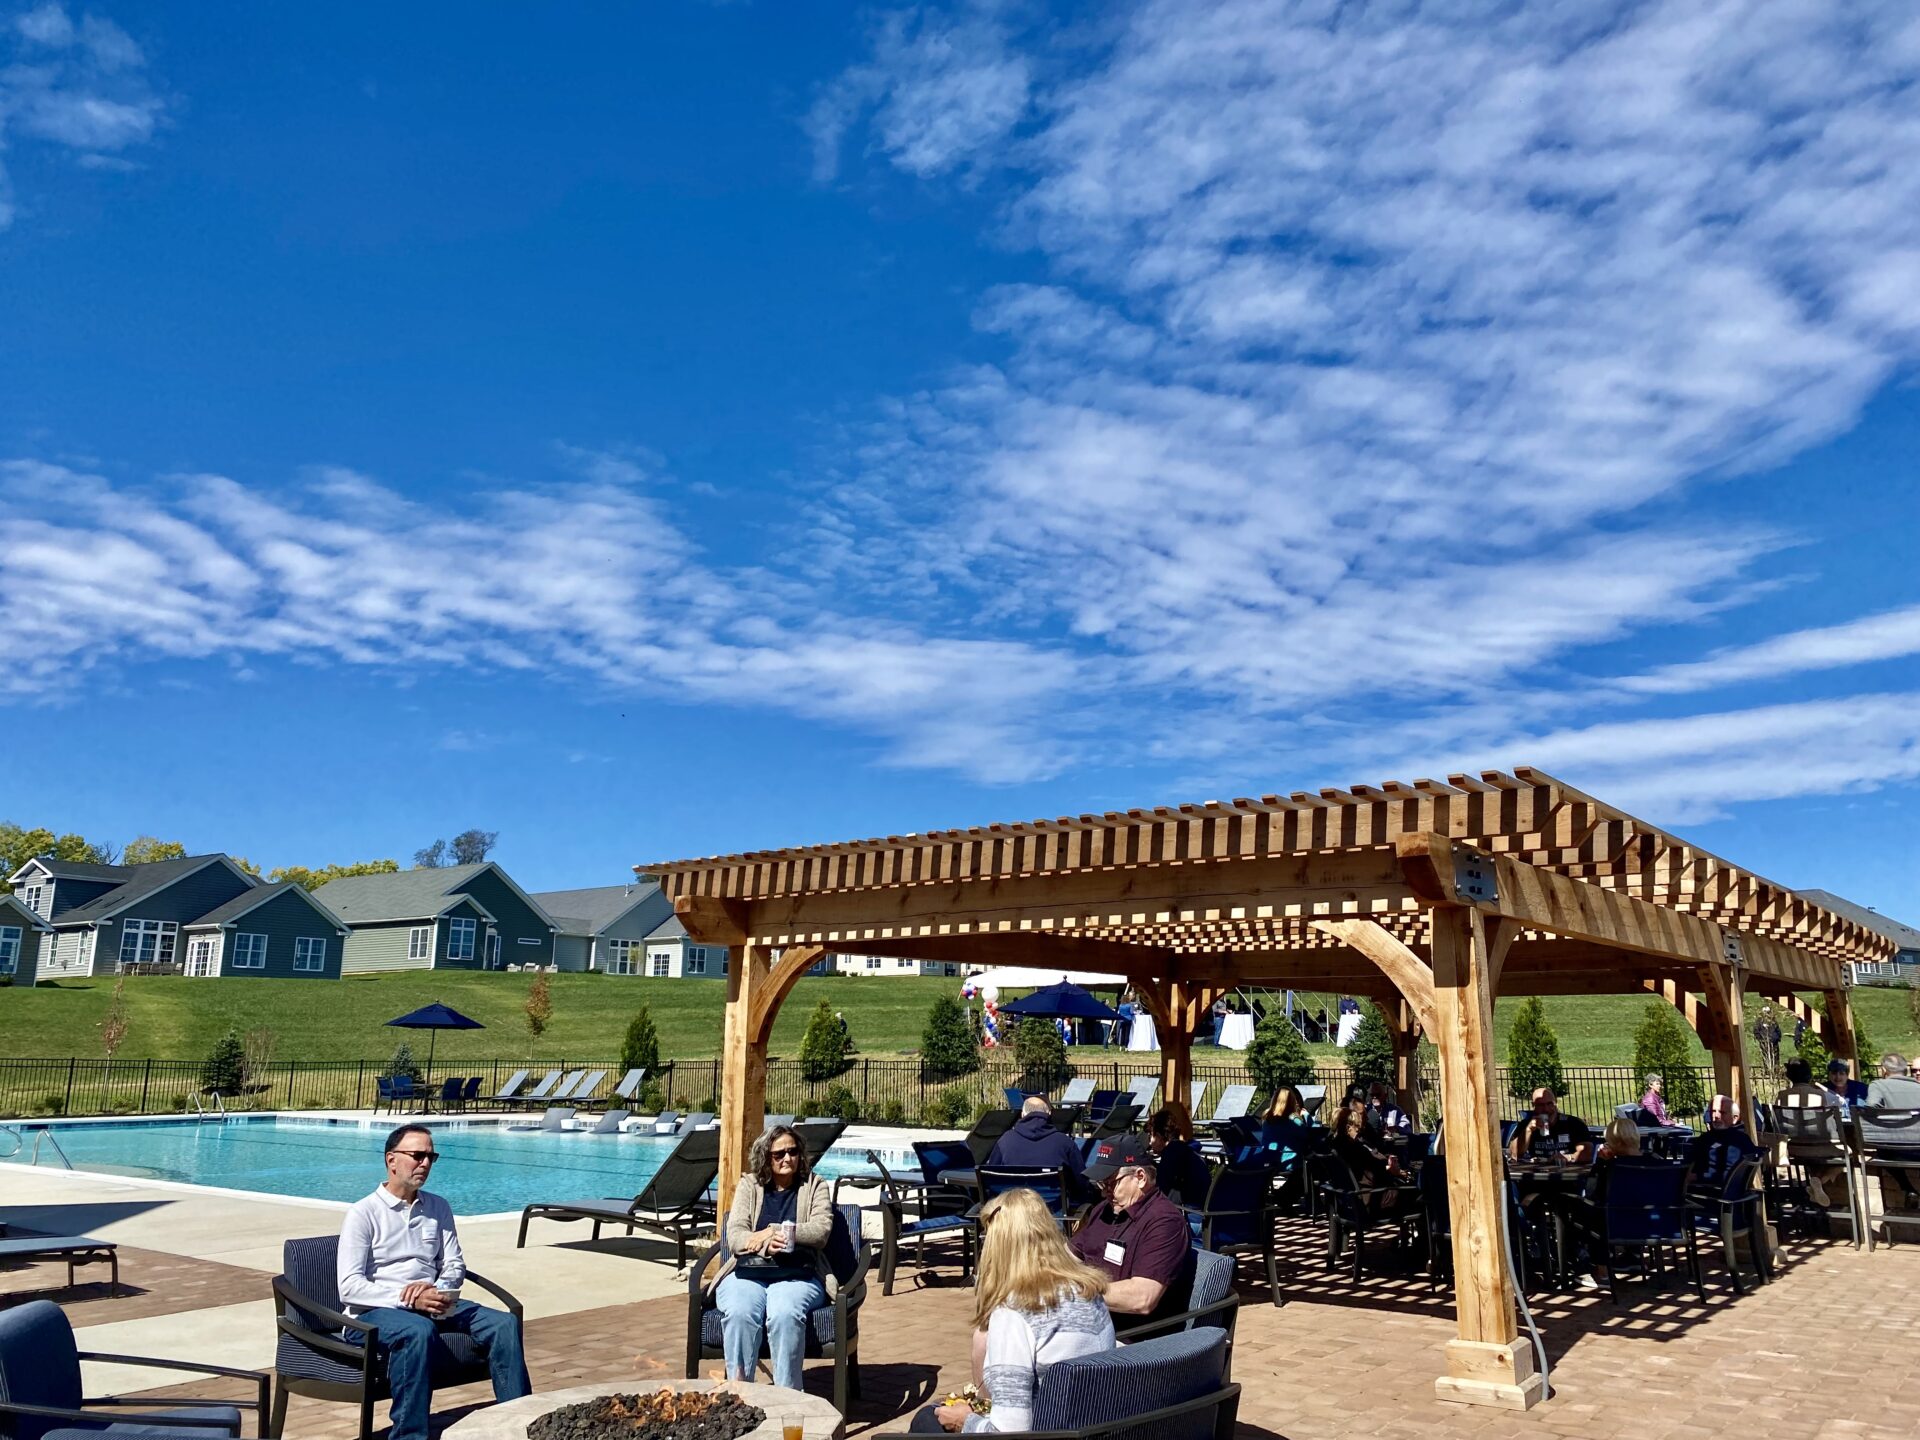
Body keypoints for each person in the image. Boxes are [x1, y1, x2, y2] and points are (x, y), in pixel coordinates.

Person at [337, 1125, 530, 1440]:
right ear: (392, 1160)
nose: (425, 1163)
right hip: (376, 1311)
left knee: (504, 1323)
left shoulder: (438, 1207)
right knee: (417, 1330)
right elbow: (350, 1286)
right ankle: (409, 1436)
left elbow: (454, 1263)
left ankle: (520, 1423)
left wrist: (439, 1290)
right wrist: (407, 1298)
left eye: (431, 1156)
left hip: (435, 1302)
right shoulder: (363, 1213)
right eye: (417, 1155)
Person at [914, 1188, 1115, 1434]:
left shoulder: (1015, 1312)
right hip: (1087, 1425)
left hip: (1045, 1430)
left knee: (926, 1420)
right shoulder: (1088, 1292)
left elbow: (1009, 1432)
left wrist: (965, 1421)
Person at [710, 1124, 835, 1390]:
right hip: (749, 1272)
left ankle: (787, 1395)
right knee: (740, 1311)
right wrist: (767, 1244)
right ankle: (739, 1393)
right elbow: (735, 1236)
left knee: (784, 1312)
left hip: (799, 1273)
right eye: (779, 1154)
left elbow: (820, 1230)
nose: (787, 1158)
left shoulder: (815, 1186)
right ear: (766, 1157)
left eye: (792, 1152)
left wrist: (773, 1231)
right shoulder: (749, 1185)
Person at [1069, 1137, 1196, 1334]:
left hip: (1132, 1338)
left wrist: (1073, 1291)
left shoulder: (1164, 1222)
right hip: (1090, 1321)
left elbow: (1142, 1298)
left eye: (1111, 1183)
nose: (1105, 1193)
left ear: (1140, 1177)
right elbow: (1070, 1255)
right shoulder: (1105, 1209)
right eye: (1102, 1184)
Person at [1774, 1059, 1846, 1208]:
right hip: (1821, 1147)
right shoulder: (1821, 1096)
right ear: (1810, 1075)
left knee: (1813, 1159)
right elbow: (1839, 1106)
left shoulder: (1781, 1096)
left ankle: (1815, 1182)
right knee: (1848, 1154)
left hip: (1793, 1149)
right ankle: (1822, 1180)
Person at [989, 1096, 1089, 1199]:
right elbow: (1081, 1182)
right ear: (1049, 1114)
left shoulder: (1004, 1141)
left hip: (1013, 1210)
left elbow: (991, 1179)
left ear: (1022, 1114)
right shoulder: (1065, 1143)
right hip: (1053, 1211)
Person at [1327, 1096, 1408, 1213]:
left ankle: (1405, 1231)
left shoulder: (1335, 1147)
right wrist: (1394, 1172)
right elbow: (1375, 1173)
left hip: (1351, 1202)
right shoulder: (1355, 1149)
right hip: (1371, 1201)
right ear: (1348, 1128)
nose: (1360, 1130)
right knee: (1418, 1195)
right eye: (1357, 1127)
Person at [1864, 1054, 1920, 1213]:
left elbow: (1870, 1107)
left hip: (1895, 1152)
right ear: (1906, 1069)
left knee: (1882, 1150)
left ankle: (1908, 1188)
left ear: (1883, 1070)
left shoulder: (1878, 1085)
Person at [1686, 1094, 1761, 1201]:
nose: (1716, 1116)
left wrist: (1696, 1177)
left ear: (1735, 1118)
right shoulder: (1709, 1138)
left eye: (1722, 1112)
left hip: (1713, 1195)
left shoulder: (1735, 1142)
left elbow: (1730, 1174)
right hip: (1722, 1192)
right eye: (1712, 1111)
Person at [1144, 1103, 1212, 1206]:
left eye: (1150, 1137)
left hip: (1188, 1212)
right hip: (1201, 1208)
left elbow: (1160, 1189)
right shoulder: (1182, 1149)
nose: (1149, 1143)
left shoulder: (1171, 1154)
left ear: (1158, 1136)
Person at [1508, 1087, 1594, 1165]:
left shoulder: (1573, 1123)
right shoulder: (1526, 1124)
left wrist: (1568, 1157)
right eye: (1540, 1105)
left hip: (1567, 1176)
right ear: (1533, 1106)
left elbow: (1587, 1153)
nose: (1546, 1109)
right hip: (1536, 1176)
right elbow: (1514, 1155)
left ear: (1555, 1103)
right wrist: (1528, 1131)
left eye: (1550, 1104)